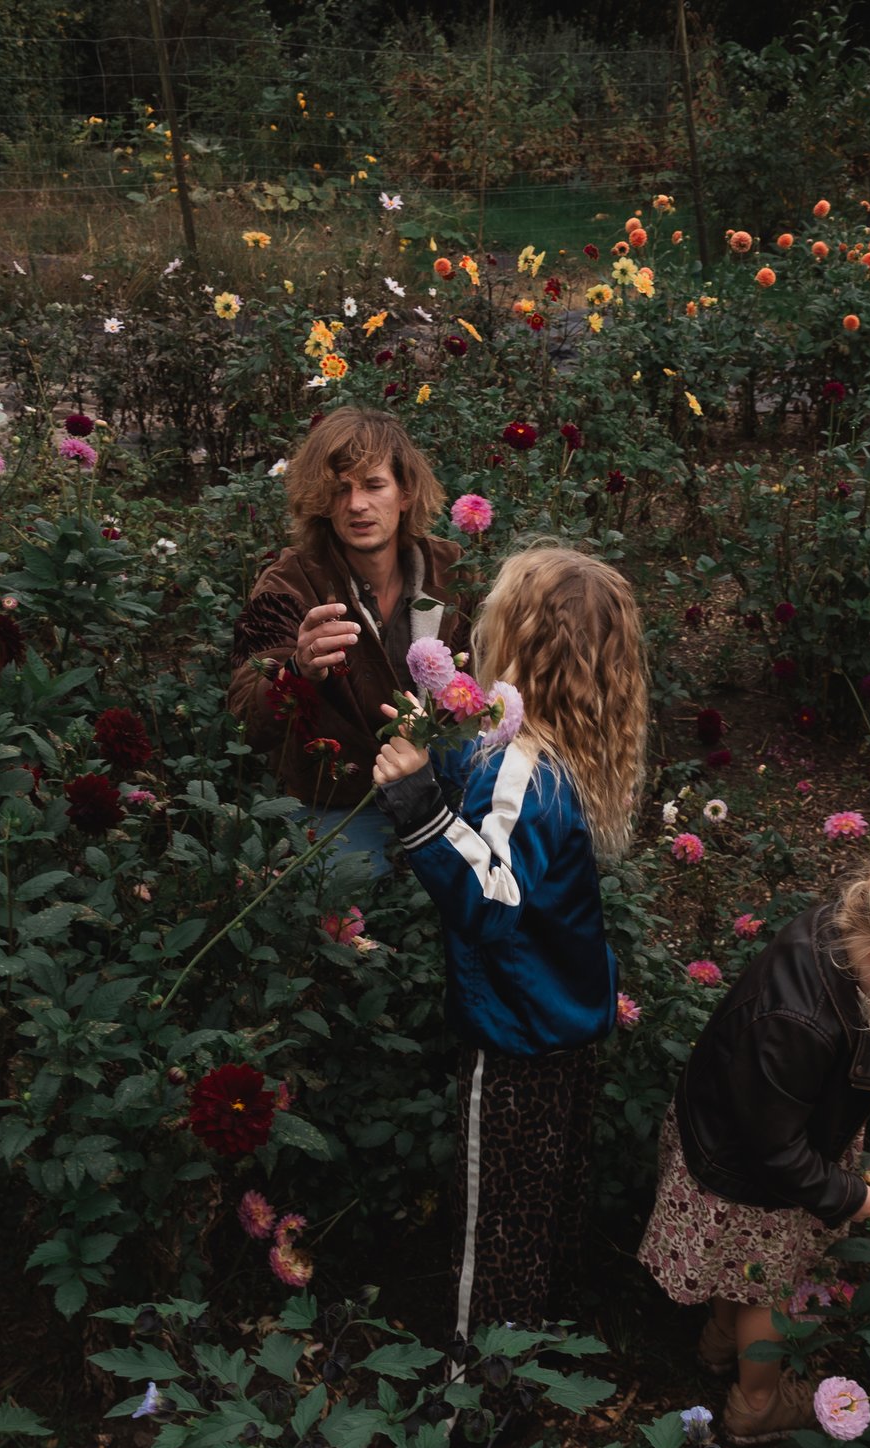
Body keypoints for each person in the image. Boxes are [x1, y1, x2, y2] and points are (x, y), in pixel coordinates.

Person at [638, 845, 870, 1444]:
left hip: (749, 1148)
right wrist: (846, 1197)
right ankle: (756, 1402)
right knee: (767, 1286)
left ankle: (717, 1341)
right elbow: (775, 1151)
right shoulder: (797, 1020)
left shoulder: (849, 936)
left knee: (737, 1270)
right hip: (755, 1171)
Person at [369, 546, 646, 1342]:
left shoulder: (522, 768)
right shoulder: (556, 750)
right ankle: (537, 1357)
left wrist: (417, 804)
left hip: (520, 1036)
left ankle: (478, 1395)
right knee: (541, 1207)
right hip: (564, 1020)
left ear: (518, 647)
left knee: (493, 1229)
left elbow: (494, 896)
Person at [229, 408, 470, 878]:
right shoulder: (289, 584)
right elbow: (245, 718)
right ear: (321, 500)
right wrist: (297, 670)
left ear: (405, 493)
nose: (356, 504)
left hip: (446, 785)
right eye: (340, 489)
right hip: (342, 802)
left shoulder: (454, 572)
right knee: (342, 895)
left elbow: (489, 685)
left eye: (373, 485)